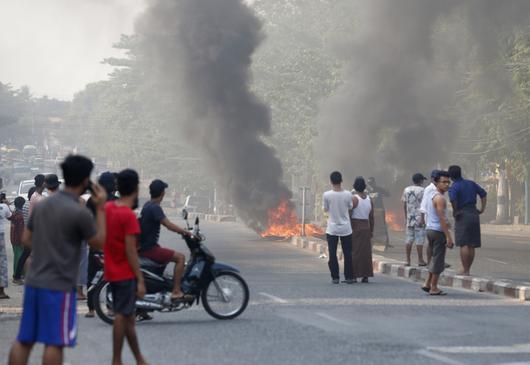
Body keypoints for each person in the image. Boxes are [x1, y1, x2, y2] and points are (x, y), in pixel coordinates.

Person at [8, 155, 107, 365]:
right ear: (85, 180)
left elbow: (26, 239)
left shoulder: (43, 204)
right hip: (60, 285)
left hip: (35, 280)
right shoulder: (79, 212)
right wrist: (100, 207)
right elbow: (99, 243)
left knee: (25, 339)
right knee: (55, 342)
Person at [104, 169, 147, 365]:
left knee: (128, 318)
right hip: (124, 273)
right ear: (136, 188)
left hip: (112, 270)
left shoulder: (110, 208)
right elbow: (131, 251)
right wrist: (140, 279)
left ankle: (139, 359)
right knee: (122, 316)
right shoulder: (128, 215)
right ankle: (116, 359)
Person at [139, 179, 193, 300]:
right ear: (162, 193)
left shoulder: (147, 205)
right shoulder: (155, 208)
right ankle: (176, 290)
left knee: (167, 256)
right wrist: (185, 232)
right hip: (149, 249)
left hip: (147, 246)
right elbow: (168, 225)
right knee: (180, 257)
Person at [85, 171, 117, 318]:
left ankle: (91, 309)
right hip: (112, 244)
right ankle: (111, 307)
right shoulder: (116, 201)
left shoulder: (92, 201)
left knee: (92, 276)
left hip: (96, 243)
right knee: (112, 278)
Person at [448, 165, 487, 276]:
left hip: (462, 214)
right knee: (472, 244)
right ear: (460, 173)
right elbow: (483, 194)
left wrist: (455, 212)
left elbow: (453, 200)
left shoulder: (454, 187)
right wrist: (482, 209)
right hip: (474, 213)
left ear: (450, 176)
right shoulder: (471, 183)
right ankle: (467, 269)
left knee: (464, 243)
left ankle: (465, 270)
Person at [421, 171, 454, 296]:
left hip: (430, 229)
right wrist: (448, 236)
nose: (446, 184)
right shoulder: (440, 198)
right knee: (438, 261)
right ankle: (434, 287)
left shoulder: (433, 195)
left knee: (435, 259)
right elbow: (442, 219)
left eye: (448, 182)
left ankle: (427, 283)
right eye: (443, 182)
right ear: (436, 182)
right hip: (437, 230)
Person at [322, 171, 354, 284]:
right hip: (346, 228)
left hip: (332, 229)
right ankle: (349, 276)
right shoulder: (348, 194)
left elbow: (325, 209)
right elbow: (350, 206)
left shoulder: (326, 195)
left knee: (332, 253)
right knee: (348, 253)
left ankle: (335, 277)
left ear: (330, 181)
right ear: (341, 181)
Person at [350, 177, 374, 283]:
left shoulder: (354, 199)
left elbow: (349, 215)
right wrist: (371, 230)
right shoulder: (369, 199)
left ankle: (354, 275)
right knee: (366, 252)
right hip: (366, 226)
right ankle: (366, 275)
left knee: (355, 252)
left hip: (356, 226)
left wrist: (349, 229)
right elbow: (372, 217)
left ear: (354, 187)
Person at [401, 173, 428, 267]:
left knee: (409, 239)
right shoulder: (423, 190)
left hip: (409, 218)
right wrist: (424, 219)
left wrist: (406, 217)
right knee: (419, 240)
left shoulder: (406, 189)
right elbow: (425, 206)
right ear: (420, 180)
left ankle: (407, 260)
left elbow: (404, 204)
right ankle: (420, 260)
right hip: (420, 218)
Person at [14, 188, 36, 283]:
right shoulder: (30, 205)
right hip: (31, 233)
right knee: (27, 255)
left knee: (25, 255)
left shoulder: (26, 204)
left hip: (28, 232)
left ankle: (18, 275)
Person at [366, 177, 391, 248]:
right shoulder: (366, 191)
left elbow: (388, 194)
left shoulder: (379, 189)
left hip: (380, 209)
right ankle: (371, 241)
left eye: (371, 183)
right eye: (369, 183)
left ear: (374, 183)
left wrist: (385, 191)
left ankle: (386, 242)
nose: (371, 184)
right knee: (371, 225)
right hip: (371, 210)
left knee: (383, 225)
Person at [9, 197, 25, 285]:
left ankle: (18, 274)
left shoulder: (14, 213)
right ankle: (16, 275)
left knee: (17, 256)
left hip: (13, 238)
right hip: (18, 240)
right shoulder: (20, 216)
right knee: (18, 257)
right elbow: (20, 230)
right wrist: (22, 240)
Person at [0, 193, 12, 299]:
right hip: (0, 236)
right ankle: (1, 292)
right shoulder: (3, 207)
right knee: (2, 264)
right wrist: (7, 204)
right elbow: (10, 216)